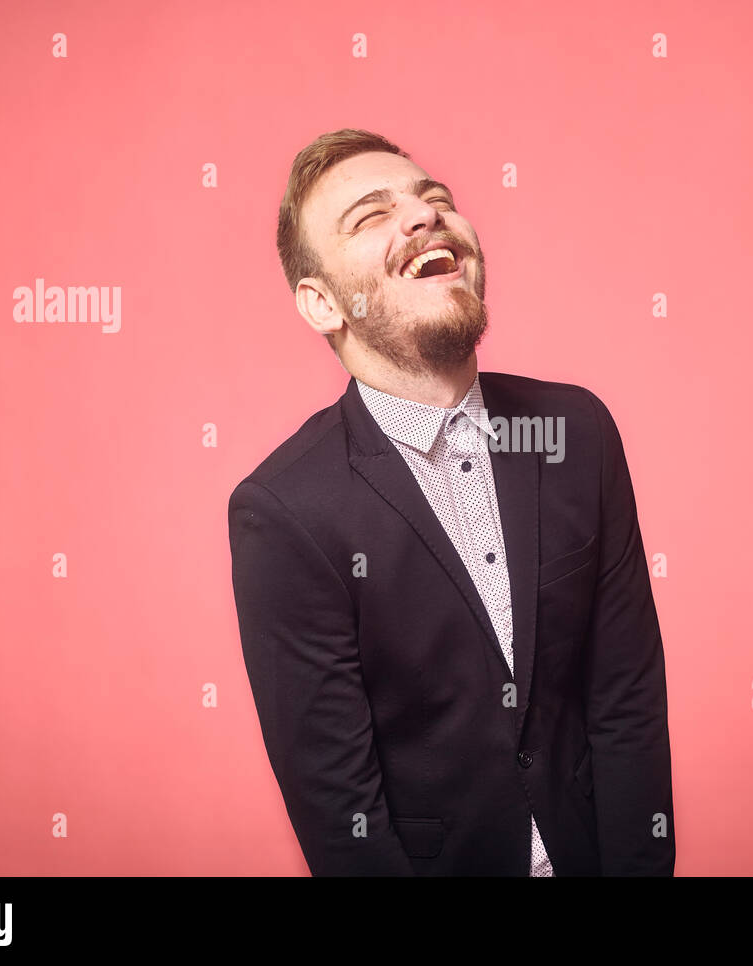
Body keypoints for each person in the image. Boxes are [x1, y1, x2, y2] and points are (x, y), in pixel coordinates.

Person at [228, 128, 674, 875]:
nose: (423, 216)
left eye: (435, 200)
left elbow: (626, 700)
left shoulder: (575, 432)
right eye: (371, 216)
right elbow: (342, 815)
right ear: (322, 303)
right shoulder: (284, 513)